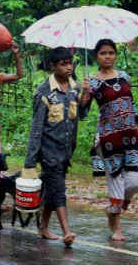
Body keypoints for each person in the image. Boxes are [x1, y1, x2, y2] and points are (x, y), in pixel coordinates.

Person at [80, 39, 138, 241]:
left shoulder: (124, 76)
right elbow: (82, 113)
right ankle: (117, 228)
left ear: (115, 55)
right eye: (103, 53)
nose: (107, 56)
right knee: (116, 182)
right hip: (108, 139)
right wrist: (84, 92)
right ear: (96, 56)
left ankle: (114, 209)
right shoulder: (93, 82)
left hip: (129, 136)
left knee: (133, 183)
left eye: (111, 52)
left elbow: (130, 105)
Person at [23, 47, 87, 246]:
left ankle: (43, 227)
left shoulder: (75, 88)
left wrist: (87, 96)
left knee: (51, 189)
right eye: (63, 64)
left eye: (70, 63)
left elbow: (81, 115)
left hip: (66, 150)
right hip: (49, 151)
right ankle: (66, 231)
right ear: (53, 66)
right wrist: (30, 161)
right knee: (58, 189)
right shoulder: (44, 92)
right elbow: (36, 127)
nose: (68, 67)